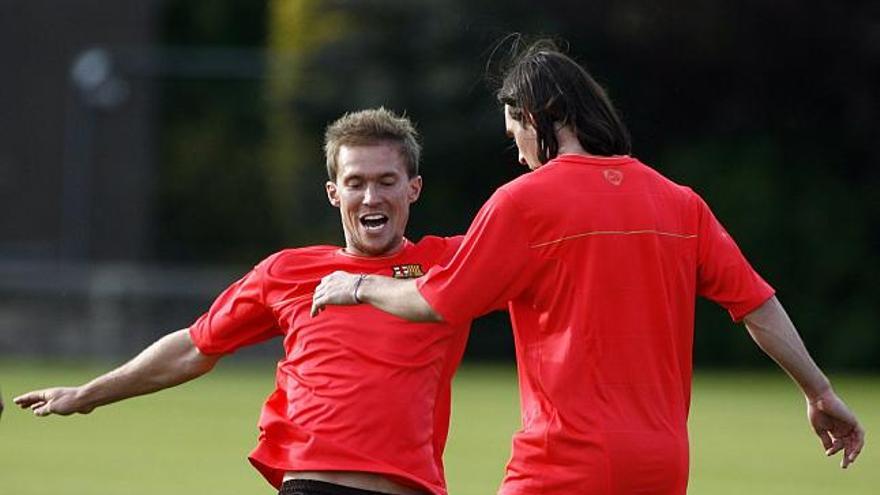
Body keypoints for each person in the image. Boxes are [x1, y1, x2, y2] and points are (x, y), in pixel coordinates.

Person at [311, 41, 865, 494]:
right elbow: (757, 305)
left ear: (537, 119)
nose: (521, 154)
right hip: (663, 465)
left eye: (516, 136)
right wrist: (819, 392)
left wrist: (357, 285)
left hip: (563, 463)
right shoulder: (678, 201)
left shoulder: (523, 201)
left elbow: (434, 301)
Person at [15, 108, 471, 495]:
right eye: (356, 182)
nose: (371, 196)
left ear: (413, 188)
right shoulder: (287, 271)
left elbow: (538, 252)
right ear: (335, 194)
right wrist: (87, 394)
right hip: (313, 485)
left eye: (386, 181)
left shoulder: (452, 262)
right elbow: (195, 347)